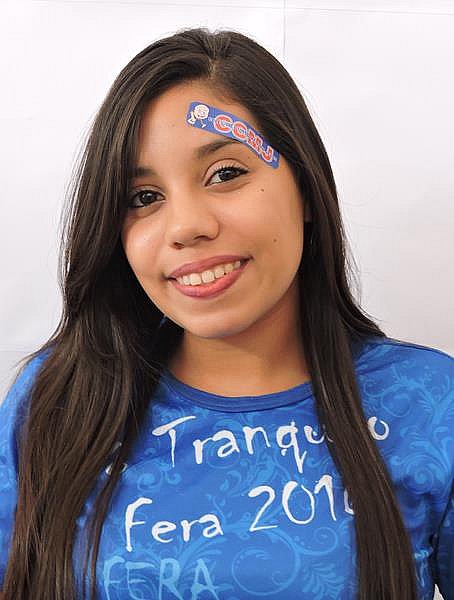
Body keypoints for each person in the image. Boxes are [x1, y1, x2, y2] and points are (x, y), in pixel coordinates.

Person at [0, 26, 453, 600]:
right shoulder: (59, 401)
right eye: (144, 198)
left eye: (226, 173)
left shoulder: (430, 403)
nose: (187, 225)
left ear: (306, 187)